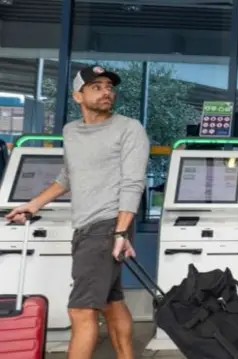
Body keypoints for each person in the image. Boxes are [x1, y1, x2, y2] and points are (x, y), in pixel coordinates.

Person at [5, 65, 150, 359]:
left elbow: (133, 182)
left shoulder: (129, 128)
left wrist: (121, 231)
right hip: (86, 226)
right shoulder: (71, 131)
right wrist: (33, 204)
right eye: (96, 87)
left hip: (108, 225)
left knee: (81, 309)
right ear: (77, 96)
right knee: (111, 300)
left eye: (109, 86)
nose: (106, 91)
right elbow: (67, 178)